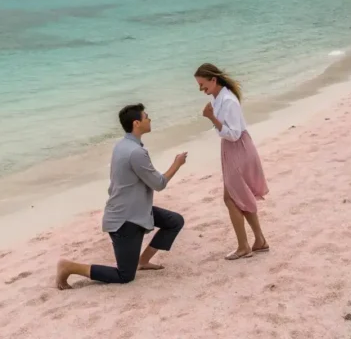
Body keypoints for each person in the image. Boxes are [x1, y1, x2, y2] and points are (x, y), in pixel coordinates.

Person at [56, 103, 188, 289]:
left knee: (174, 221)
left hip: (136, 210)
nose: (150, 119)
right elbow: (159, 184)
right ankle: (69, 267)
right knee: (125, 275)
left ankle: (142, 261)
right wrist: (177, 163)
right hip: (125, 220)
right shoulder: (135, 152)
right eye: (146, 116)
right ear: (136, 123)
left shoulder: (122, 145)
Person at [195, 63, 269, 260]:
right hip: (231, 149)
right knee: (239, 197)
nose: (201, 89)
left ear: (213, 79)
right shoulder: (218, 98)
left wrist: (211, 118)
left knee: (231, 198)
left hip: (238, 149)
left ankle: (244, 246)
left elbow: (234, 134)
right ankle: (259, 240)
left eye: (203, 84)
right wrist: (213, 117)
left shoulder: (228, 101)